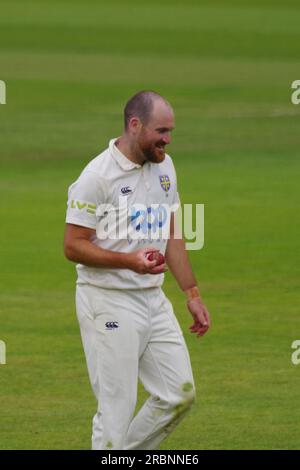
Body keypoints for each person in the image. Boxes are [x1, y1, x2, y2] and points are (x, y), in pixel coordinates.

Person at [64, 90, 211, 450]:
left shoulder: (165, 166)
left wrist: (191, 294)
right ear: (135, 125)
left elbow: (173, 232)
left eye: (171, 131)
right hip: (108, 301)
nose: (168, 139)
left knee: (178, 394)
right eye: (161, 130)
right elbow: (73, 245)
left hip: (153, 298)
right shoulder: (96, 176)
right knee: (116, 411)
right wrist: (129, 261)